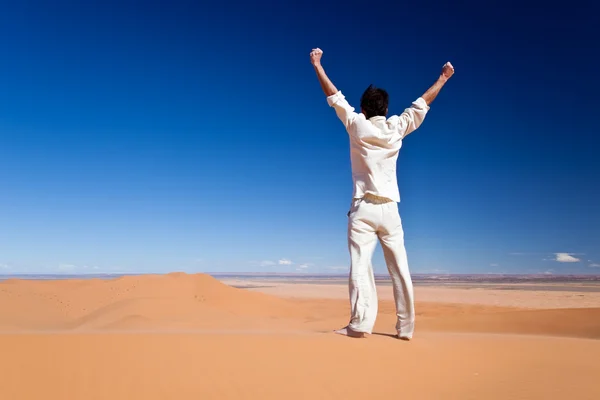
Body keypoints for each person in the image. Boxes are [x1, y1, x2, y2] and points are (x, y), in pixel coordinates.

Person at [310, 47, 454, 340]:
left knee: (360, 268)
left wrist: (317, 64)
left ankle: (360, 324)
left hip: (363, 208)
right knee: (400, 269)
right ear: (385, 110)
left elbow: (334, 97)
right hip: (390, 210)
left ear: (363, 108)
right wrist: (443, 78)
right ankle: (406, 328)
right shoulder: (395, 128)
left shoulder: (357, 126)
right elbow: (421, 105)